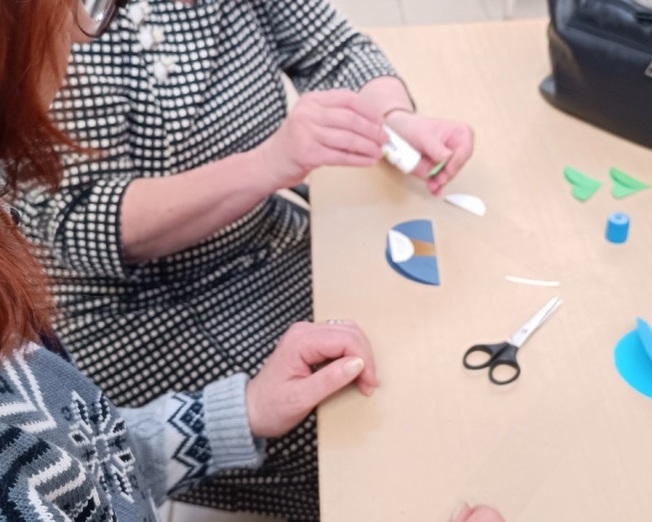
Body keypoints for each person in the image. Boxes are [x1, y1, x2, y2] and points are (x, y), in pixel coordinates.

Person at [0, 1, 500, 521]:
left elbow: (332, 48)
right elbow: (82, 221)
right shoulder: (73, 28)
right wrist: (270, 163)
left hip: (263, 239)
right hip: (148, 304)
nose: (80, 34)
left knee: (417, 345)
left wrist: (395, 124)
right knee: (377, 435)